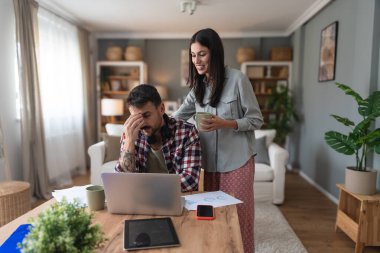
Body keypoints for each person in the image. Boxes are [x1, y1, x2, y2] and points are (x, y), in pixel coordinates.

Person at [172, 28, 263, 253]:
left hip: (238, 162)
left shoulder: (238, 80)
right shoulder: (198, 87)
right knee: (212, 217)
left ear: (215, 53)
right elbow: (177, 119)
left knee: (239, 219)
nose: (197, 61)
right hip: (208, 166)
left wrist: (226, 123)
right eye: (193, 55)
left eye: (202, 54)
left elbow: (256, 120)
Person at [115, 84, 202, 192]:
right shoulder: (130, 132)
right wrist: (129, 142)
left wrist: (147, 188)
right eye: (136, 118)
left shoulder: (187, 132)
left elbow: (190, 180)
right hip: (140, 199)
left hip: (175, 198)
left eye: (146, 115)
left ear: (161, 108)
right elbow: (122, 179)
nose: (141, 123)